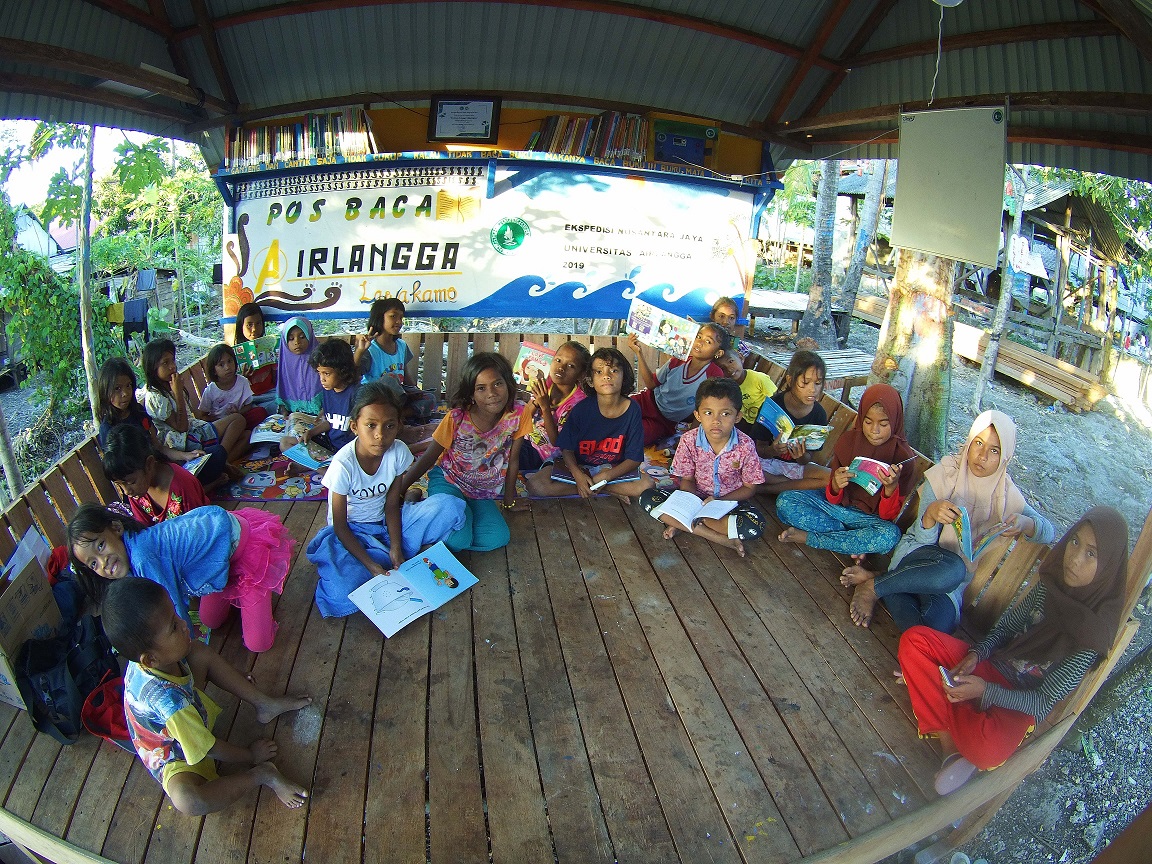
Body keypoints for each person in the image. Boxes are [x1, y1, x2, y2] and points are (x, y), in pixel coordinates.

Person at [898, 507, 1128, 795]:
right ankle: (951, 746)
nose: (1075, 557)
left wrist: (984, 692)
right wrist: (976, 655)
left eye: (1091, 554)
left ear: (1107, 568)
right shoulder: (1051, 586)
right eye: (1075, 542)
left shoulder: (1092, 638)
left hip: (1019, 702)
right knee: (915, 641)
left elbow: (1041, 703)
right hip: (993, 666)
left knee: (988, 750)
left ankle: (940, 696)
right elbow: (1006, 628)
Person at [103, 577, 310, 815]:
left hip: (187, 715)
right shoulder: (172, 706)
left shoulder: (154, 659)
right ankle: (262, 775)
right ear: (150, 660)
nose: (183, 624)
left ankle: (266, 704)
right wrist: (250, 755)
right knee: (189, 800)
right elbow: (210, 748)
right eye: (173, 626)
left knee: (198, 653)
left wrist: (234, 676)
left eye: (175, 614)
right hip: (177, 754)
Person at [842, 411, 1056, 630]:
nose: (982, 456)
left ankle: (884, 582)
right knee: (954, 568)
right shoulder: (946, 473)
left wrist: (1025, 524)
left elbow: (1049, 532)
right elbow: (921, 537)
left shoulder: (1005, 494)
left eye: (994, 451)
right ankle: (873, 588)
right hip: (918, 557)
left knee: (940, 625)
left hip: (948, 585)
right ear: (969, 442)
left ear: (1005, 457)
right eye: (978, 443)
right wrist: (931, 514)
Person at [306, 382, 466, 617]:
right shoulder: (342, 465)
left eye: (389, 425)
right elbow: (339, 526)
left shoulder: (398, 452)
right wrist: (370, 565)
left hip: (388, 522)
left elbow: (391, 505)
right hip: (352, 533)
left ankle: (394, 552)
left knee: (449, 507)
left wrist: (395, 546)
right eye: (370, 425)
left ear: (399, 425)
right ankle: (397, 554)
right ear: (354, 426)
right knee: (341, 594)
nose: (380, 435)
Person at [68, 502, 293, 653]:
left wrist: (186, 652)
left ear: (116, 528)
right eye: (93, 563)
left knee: (258, 645)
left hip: (241, 546)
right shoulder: (130, 558)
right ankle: (235, 590)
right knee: (209, 621)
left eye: (100, 545)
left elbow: (172, 606)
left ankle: (256, 594)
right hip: (216, 555)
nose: (103, 561)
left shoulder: (143, 556)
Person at [388, 352, 531, 553]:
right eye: (481, 388)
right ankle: (413, 506)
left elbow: (513, 460)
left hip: (481, 491)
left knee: (498, 537)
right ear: (471, 394)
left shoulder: (519, 413)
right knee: (460, 539)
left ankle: (442, 532)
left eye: (497, 384)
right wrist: (400, 490)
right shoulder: (457, 418)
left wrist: (509, 500)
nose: (491, 393)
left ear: (508, 383)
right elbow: (429, 456)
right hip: (449, 481)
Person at [776, 383, 914, 555]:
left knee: (889, 536)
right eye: (868, 421)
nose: (874, 430)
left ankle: (810, 538)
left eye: (884, 424)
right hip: (834, 509)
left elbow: (887, 516)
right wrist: (835, 485)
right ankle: (853, 541)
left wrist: (890, 489)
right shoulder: (848, 442)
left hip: (867, 520)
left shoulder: (903, 457)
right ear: (861, 417)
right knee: (785, 501)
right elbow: (831, 498)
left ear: (895, 421)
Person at [639, 377, 766, 556]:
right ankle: (715, 536)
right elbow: (688, 479)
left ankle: (682, 523)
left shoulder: (745, 445)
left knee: (755, 525)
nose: (716, 421)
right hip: (693, 498)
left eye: (725, 414)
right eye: (708, 413)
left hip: (727, 504)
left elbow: (750, 487)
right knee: (647, 497)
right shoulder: (688, 440)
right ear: (697, 415)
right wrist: (691, 505)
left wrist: (718, 502)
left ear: (738, 416)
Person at [526, 347, 653, 501]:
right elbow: (566, 449)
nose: (606, 376)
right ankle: (595, 487)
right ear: (590, 381)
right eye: (599, 372)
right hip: (578, 466)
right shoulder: (581, 409)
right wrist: (578, 475)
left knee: (647, 485)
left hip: (611, 469)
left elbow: (634, 459)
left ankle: (594, 487)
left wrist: (607, 476)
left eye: (613, 371)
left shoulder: (632, 409)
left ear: (624, 376)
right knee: (536, 485)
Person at [96, 358, 230, 491]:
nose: (125, 393)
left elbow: (158, 446)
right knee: (183, 484)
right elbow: (121, 473)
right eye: (117, 389)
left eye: (128, 385)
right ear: (105, 391)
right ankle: (205, 487)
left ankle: (199, 487)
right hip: (142, 483)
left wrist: (187, 456)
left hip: (162, 467)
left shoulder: (138, 413)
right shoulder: (108, 429)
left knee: (217, 453)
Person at [142, 338, 248, 462]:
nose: (172, 366)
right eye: (165, 363)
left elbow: (192, 416)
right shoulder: (155, 396)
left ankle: (221, 461)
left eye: (173, 360)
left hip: (195, 430)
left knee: (247, 436)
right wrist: (178, 394)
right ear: (152, 367)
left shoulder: (170, 383)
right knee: (238, 419)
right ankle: (220, 459)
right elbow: (181, 428)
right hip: (184, 441)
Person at [627, 322, 728, 446]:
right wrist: (639, 353)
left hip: (664, 422)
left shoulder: (714, 375)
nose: (699, 343)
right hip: (645, 401)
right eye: (699, 337)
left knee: (636, 437)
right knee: (615, 415)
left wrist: (688, 438)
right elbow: (651, 384)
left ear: (718, 353)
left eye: (708, 341)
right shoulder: (678, 360)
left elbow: (705, 409)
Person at [750, 350, 831, 491]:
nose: (812, 389)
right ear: (790, 380)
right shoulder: (773, 406)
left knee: (829, 477)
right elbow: (759, 449)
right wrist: (772, 450)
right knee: (744, 467)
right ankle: (784, 485)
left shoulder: (819, 414)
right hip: (767, 463)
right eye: (805, 383)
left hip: (795, 467)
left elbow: (807, 459)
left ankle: (767, 489)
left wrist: (801, 457)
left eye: (818, 383)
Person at [102, 423, 211, 526]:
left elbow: (200, 529)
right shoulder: (136, 492)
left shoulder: (182, 486)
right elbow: (145, 531)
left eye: (131, 482)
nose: (126, 491)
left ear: (149, 464)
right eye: (119, 485)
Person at [353, 298, 437, 424]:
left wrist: (415, 391)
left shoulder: (401, 345)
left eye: (401, 318)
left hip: (399, 396)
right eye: (393, 316)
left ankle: (399, 414)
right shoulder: (371, 348)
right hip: (374, 397)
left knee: (429, 397)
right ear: (379, 318)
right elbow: (354, 375)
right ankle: (395, 414)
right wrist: (360, 351)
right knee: (390, 378)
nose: (399, 321)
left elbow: (406, 375)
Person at [519, 341, 591, 473]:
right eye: (558, 360)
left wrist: (545, 407)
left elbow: (557, 441)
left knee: (509, 456)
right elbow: (522, 420)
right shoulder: (547, 381)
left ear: (581, 374)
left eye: (571, 366)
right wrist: (536, 401)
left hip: (545, 455)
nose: (561, 367)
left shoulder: (578, 404)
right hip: (526, 440)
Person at [280, 339, 358, 454]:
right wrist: (311, 433)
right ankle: (323, 468)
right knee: (285, 442)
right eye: (319, 373)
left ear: (343, 371)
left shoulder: (356, 394)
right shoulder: (328, 390)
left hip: (349, 450)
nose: (322, 379)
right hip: (329, 444)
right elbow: (330, 422)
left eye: (326, 373)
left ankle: (323, 469)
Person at [199, 343, 267, 430]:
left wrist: (238, 413)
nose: (227, 367)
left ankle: (242, 431)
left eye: (230, 361)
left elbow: (248, 405)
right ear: (214, 370)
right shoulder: (211, 390)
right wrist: (222, 419)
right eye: (221, 365)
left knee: (260, 412)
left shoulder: (243, 381)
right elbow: (203, 416)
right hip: (222, 425)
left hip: (240, 418)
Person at [231, 303, 277, 413]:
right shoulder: (234, 353)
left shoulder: (269, 346)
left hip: (271, 394)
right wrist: (243, 378)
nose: (254, 329)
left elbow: (276, 379)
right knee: (253, 413)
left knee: (280, 406)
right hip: (249, 399)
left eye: (258, 323)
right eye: (249, 325)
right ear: (241, 325)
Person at [275, 316, 322, 417]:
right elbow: (282, 394)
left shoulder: (322, 360)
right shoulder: (285, 364)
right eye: (291, 338)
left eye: (302, 337)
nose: (297, 342)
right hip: (293, 417)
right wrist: (284, 413)